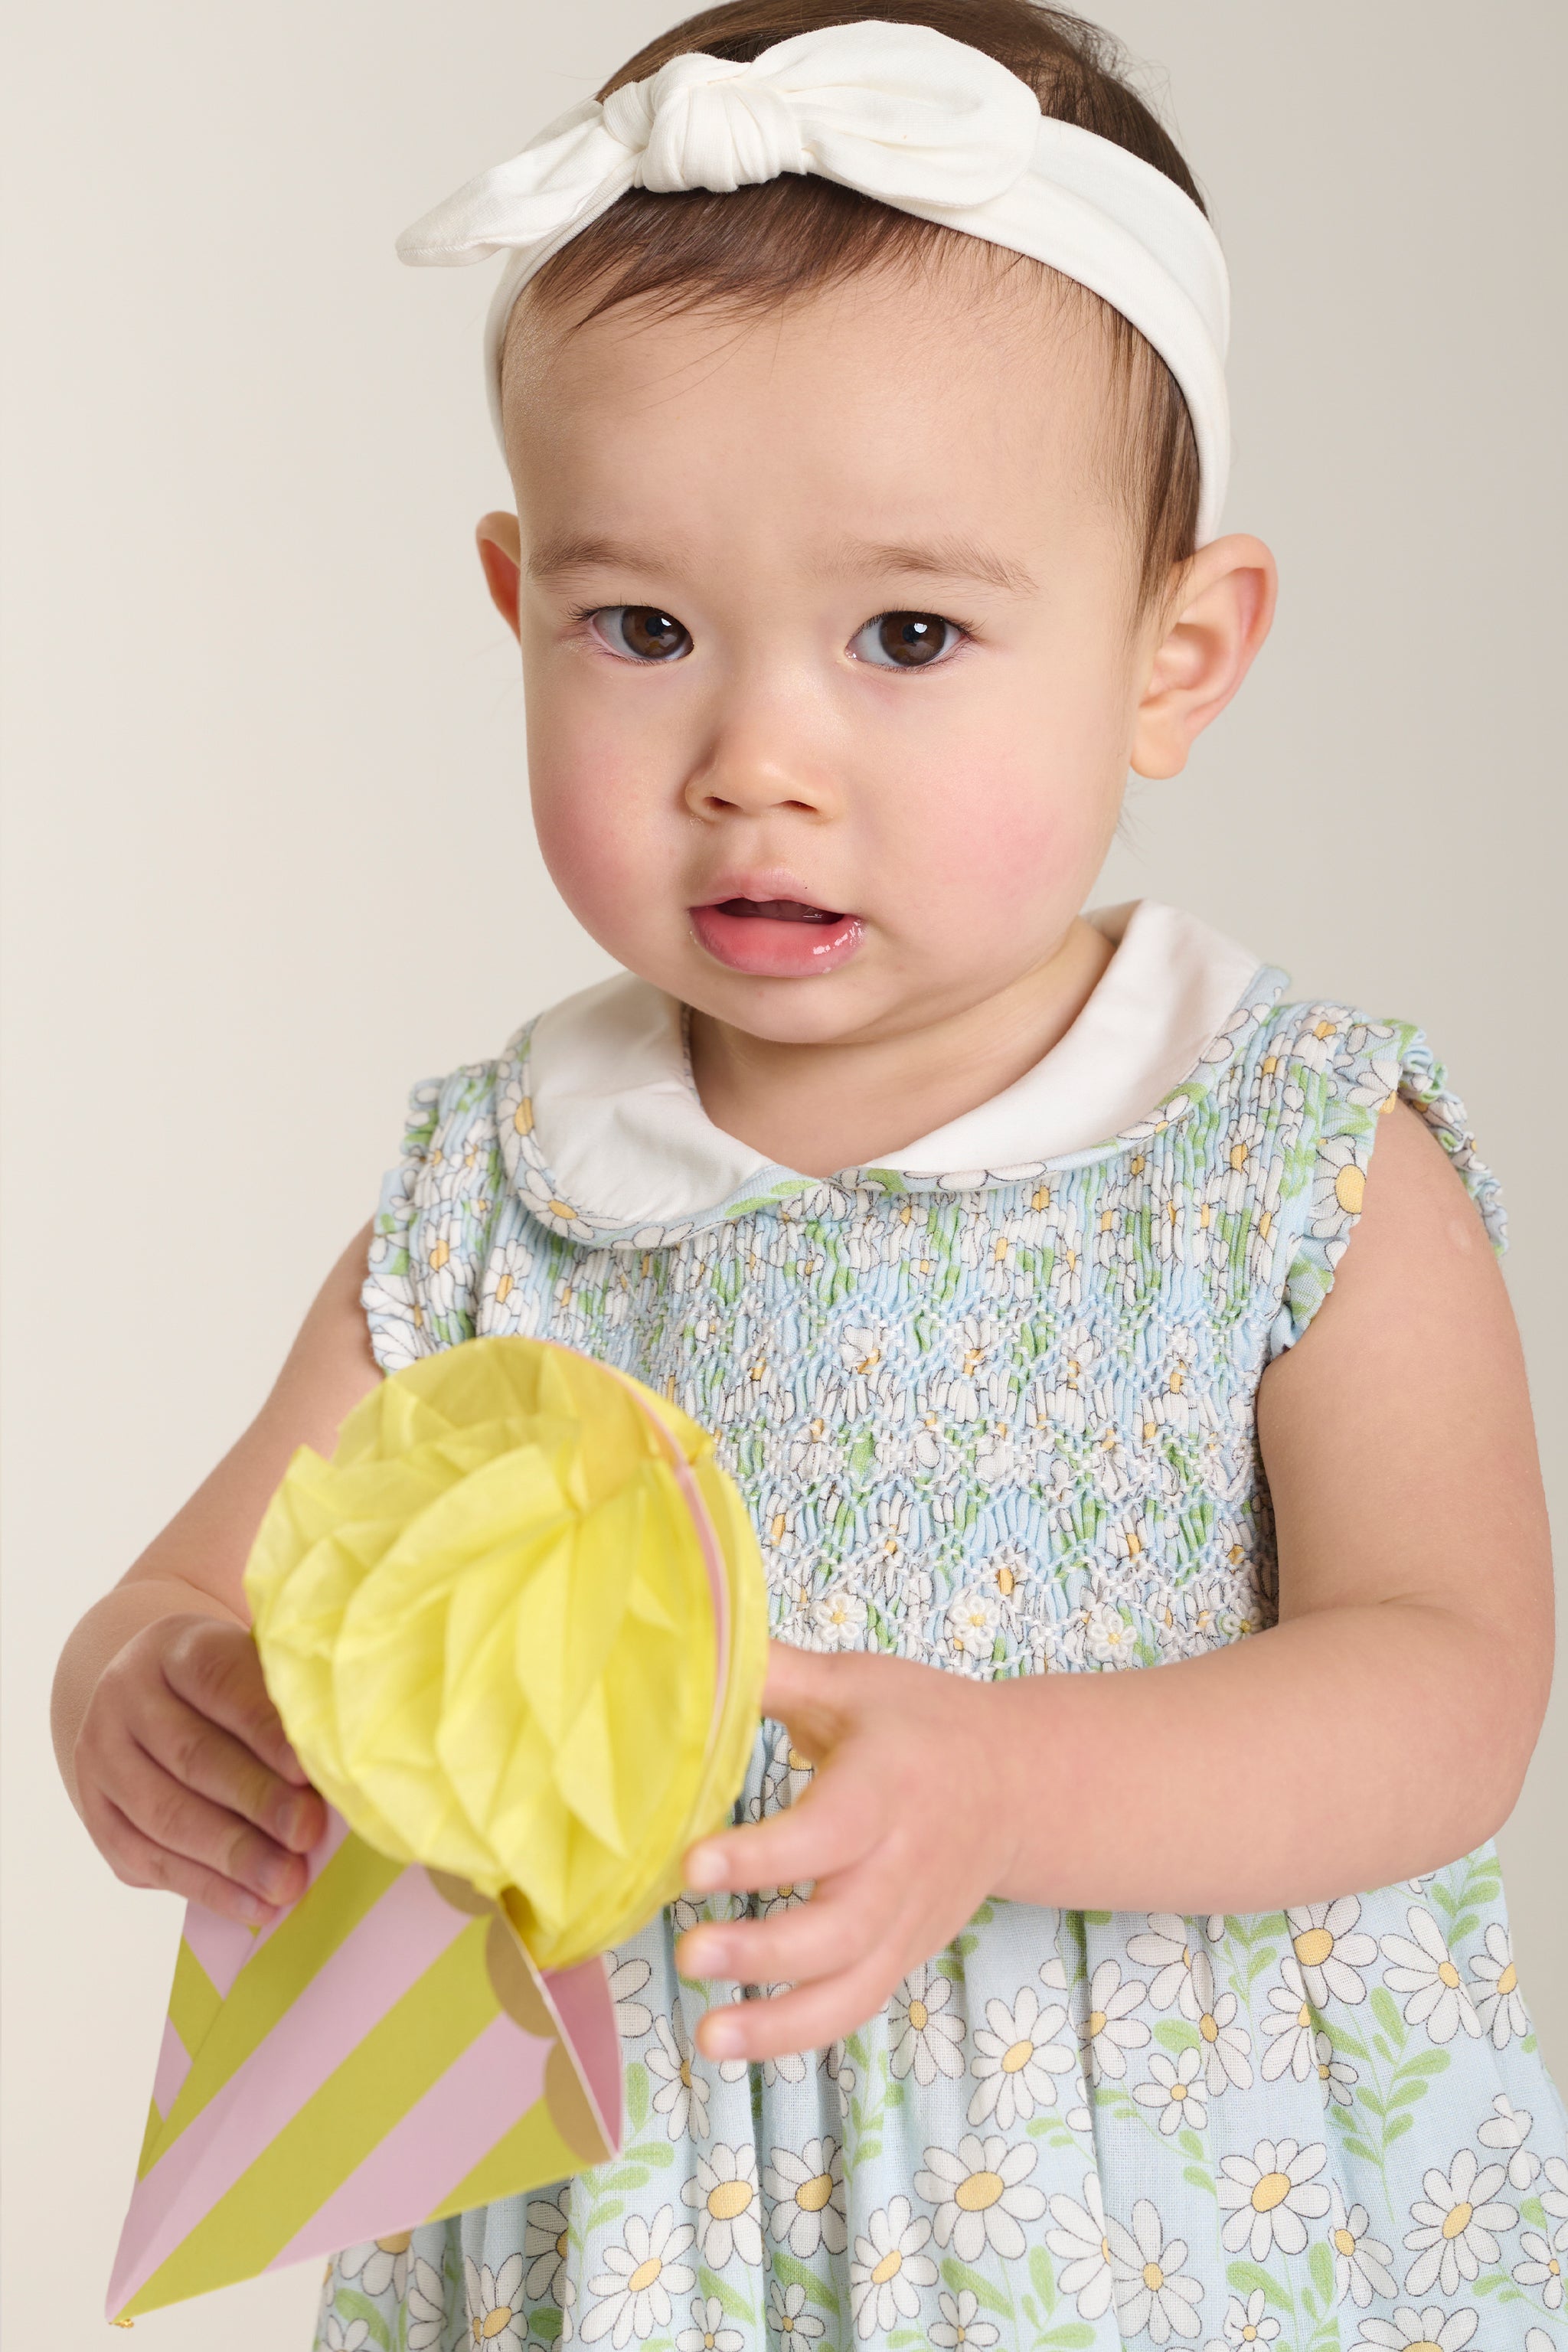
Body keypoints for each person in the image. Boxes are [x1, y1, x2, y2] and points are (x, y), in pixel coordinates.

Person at [52, 4, 1565, 2348]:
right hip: (638, 2241)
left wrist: (1014, 1784)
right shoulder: (507, 1192)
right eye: (642, 628)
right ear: (512, 600)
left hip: (1153, 2231)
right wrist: (150, 1690)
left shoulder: (1281, 1158)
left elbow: (1453, 1690)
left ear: (1178, 660)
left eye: (911, 635)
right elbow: (223, 1582)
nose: (759, 756)